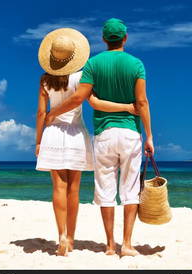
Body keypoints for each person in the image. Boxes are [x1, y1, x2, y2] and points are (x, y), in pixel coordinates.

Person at [46, 18, 154, 257]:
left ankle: (109, 245)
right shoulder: (136, 64)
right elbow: (142, 102)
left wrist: (52, 113)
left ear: (104, 39)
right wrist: (149, 136)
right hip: (130, 133)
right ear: (125, 38)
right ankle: (126, 244)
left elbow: (81, 99)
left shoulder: (93, 64)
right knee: (130, 188)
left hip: (104, 134)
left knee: (105, 189)